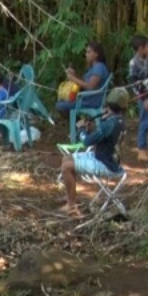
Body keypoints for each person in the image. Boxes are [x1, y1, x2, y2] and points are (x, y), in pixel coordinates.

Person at [59, 87, 128, 217]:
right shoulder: (120, 121)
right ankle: (70, 196)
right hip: (109, 160)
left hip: (105, 164)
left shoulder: (108, 124)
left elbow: (86, 141)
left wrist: (81, 129)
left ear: (108, 104)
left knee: (66, 166)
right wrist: (94, 127)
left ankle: (71, 206)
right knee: (66, 158)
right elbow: (103, 136)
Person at [55, 41, 110, 116]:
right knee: (61, 102)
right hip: (86, 99)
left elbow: (90, 86)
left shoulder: (99, 67)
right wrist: (74, 75)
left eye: (89, 52)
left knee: (60, 106)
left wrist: (73, 78)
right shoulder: (94, 67)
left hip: (93, 101)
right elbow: (84, 82)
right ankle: (79, 122)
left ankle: (79, 122)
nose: (86, 55)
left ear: (96, 54)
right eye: (86, 52)